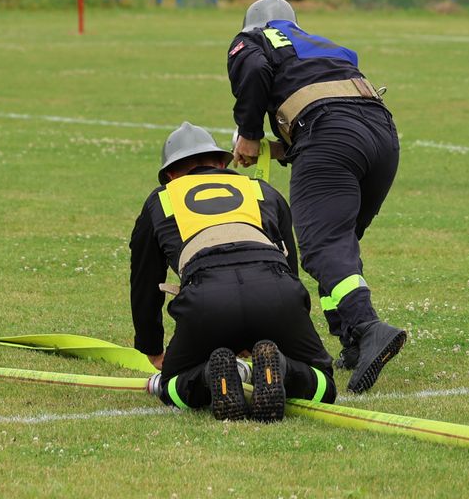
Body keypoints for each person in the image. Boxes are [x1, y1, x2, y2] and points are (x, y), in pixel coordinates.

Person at [226, 0, 407, 394]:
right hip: (381, 134)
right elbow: (328, 103)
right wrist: (277, 147)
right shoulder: (322, 46)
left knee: (322, 244)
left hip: (330, 133)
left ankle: (367, 326)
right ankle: (352, 341)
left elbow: (254, 68)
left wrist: (251, 135)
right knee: (339, 244)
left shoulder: (253, 40)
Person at [129, 121, 339, 422]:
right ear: (221, 162)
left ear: (171, 174)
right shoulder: (261, 189)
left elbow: (146, 282)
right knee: (324, 386)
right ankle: (281, 366)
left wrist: (151, 347)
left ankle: (212, 375)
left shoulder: (160, 200)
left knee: (172, 387)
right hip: (275, 291)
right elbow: (289, 270)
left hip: (207, 300)